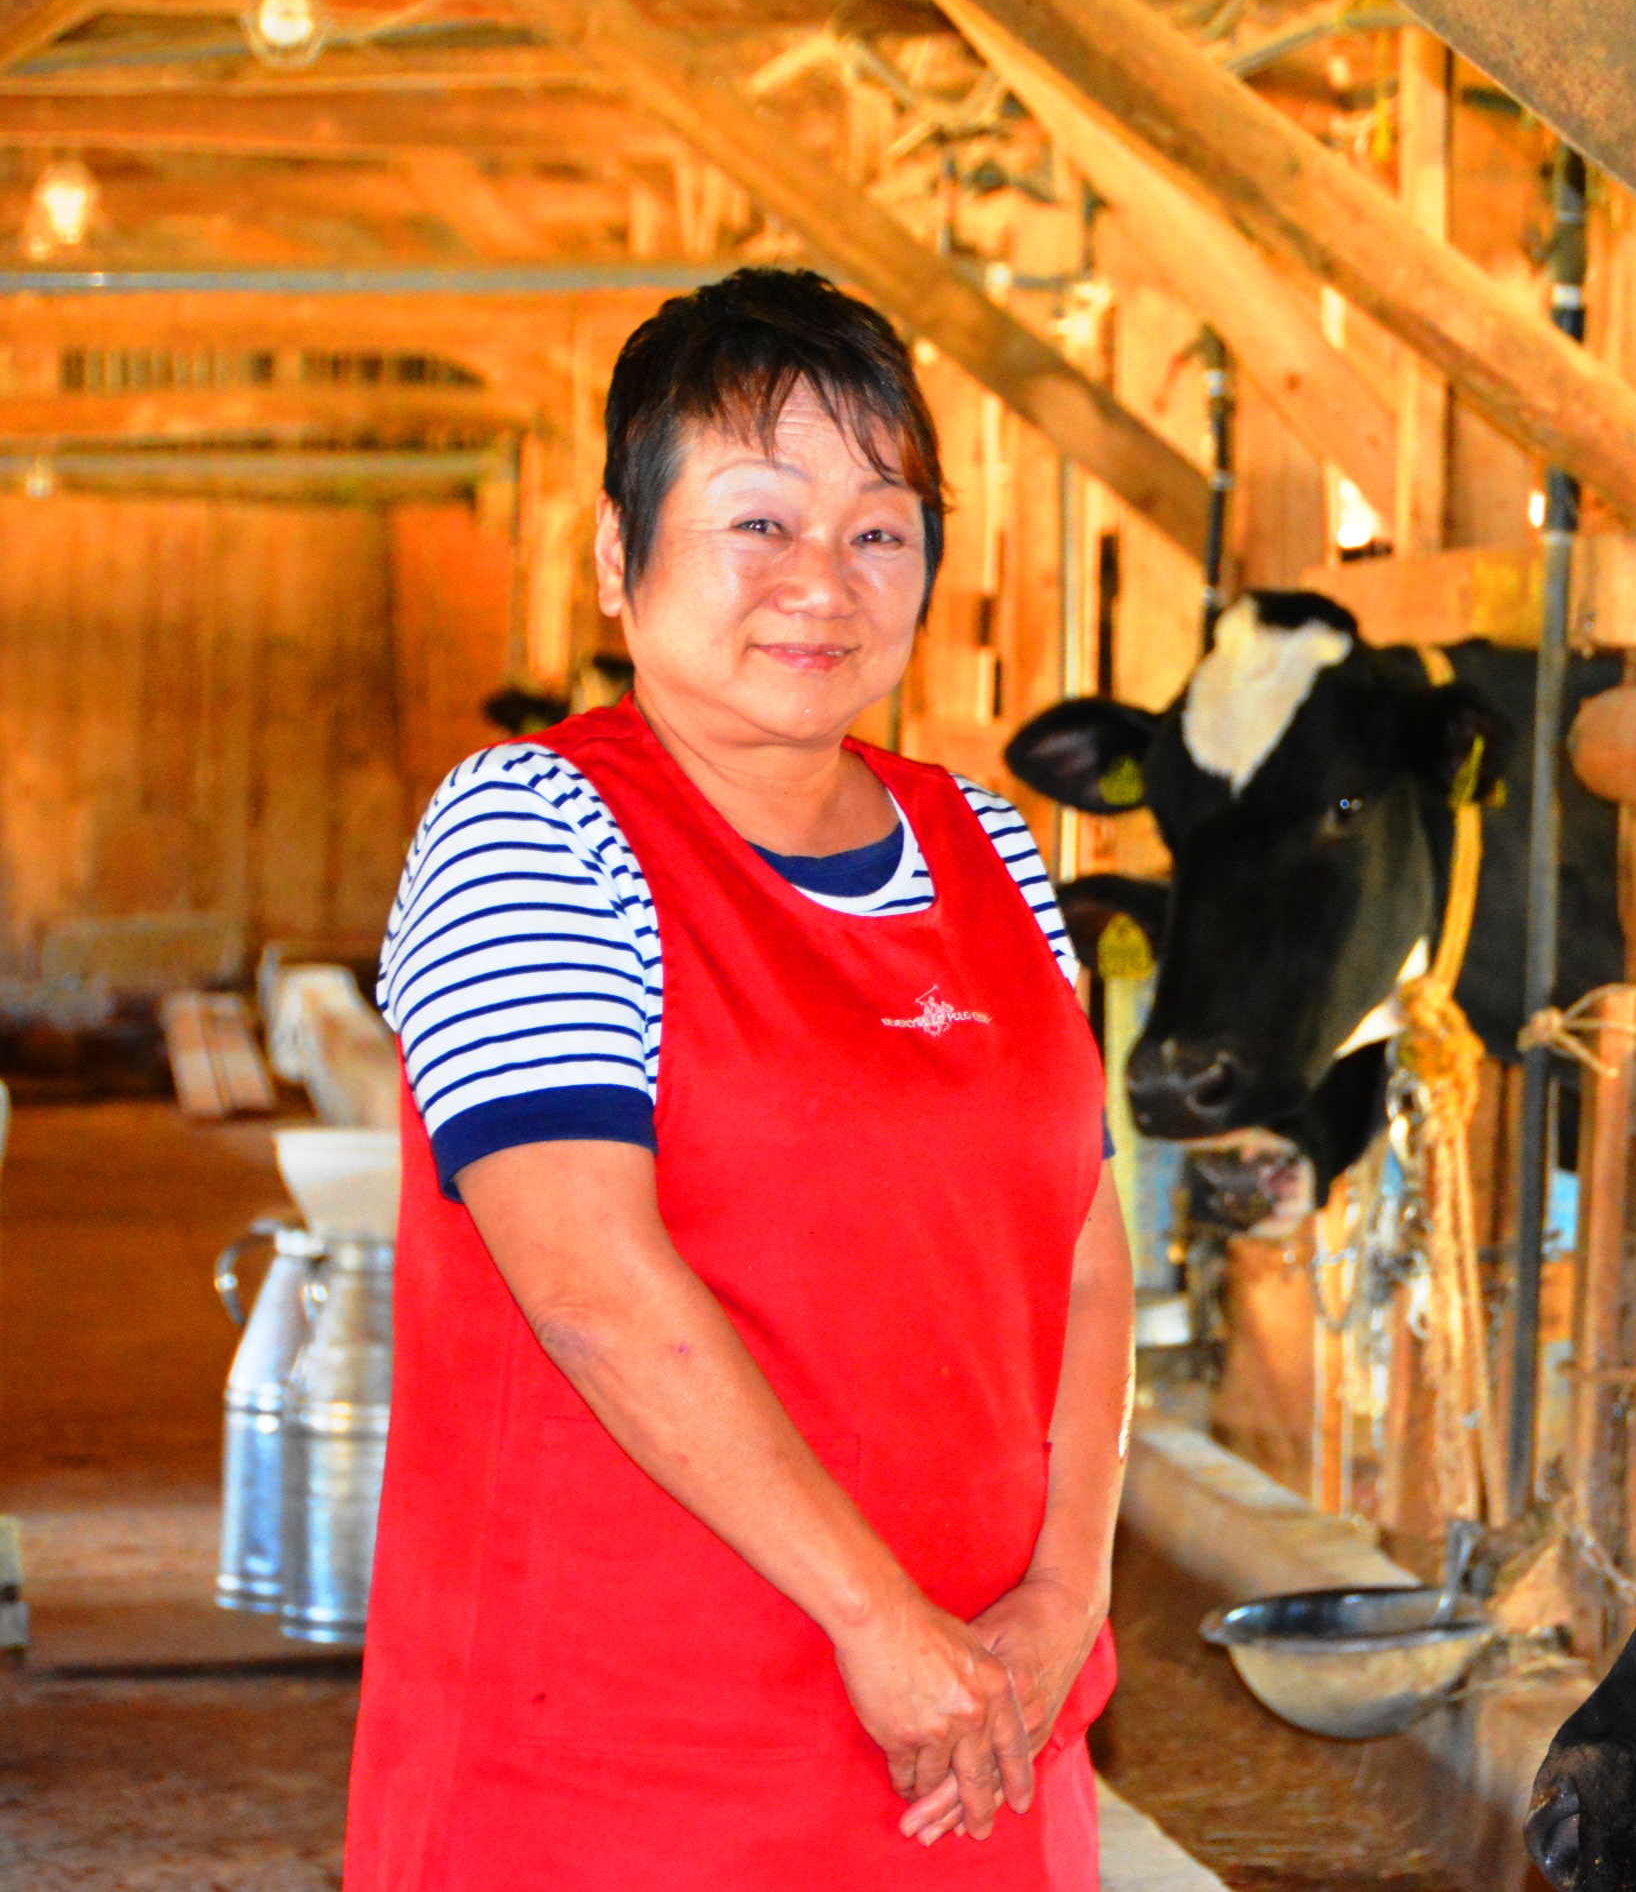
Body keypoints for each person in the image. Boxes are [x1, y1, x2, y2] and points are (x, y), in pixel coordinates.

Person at [347, 268, 1130, 1888]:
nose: (822, 582)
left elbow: (1084, 1255)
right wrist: (877, 1619)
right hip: (625, 1766)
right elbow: (594, 1290)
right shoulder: (535, 835)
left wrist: (1065, 1599)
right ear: (617, 557)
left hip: (980, 1733)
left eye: (879, 530)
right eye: (759, 521)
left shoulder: (988, 845)